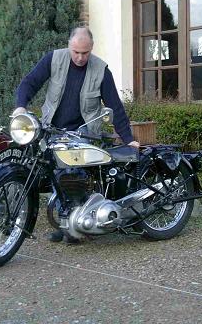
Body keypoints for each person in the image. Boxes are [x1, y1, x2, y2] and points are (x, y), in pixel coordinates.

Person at [12, 27, 140, 243]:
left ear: (92, 48)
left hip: (84, 132)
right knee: (48, 170)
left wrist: (128, 139)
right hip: (52, 127)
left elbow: (115, 107)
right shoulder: (54, 59)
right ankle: (67, 222)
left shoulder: (101, 70)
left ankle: (73, 224)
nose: (80, 57)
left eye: (85, 53)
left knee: (70, 173)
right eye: (76, 52)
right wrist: (20, 107)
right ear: (69, 46)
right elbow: (29, 83)